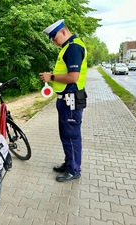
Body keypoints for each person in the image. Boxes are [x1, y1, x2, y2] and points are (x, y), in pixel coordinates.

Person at [39, 19, 88, 182]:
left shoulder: (74, 47)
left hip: (71, 100)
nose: (54, 43)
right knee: (65, 134)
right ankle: (69, 163)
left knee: (72, 135)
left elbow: (73, 77)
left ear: (63, 32)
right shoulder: (67, 46)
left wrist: (51, 77)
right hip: (65, 100)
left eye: (54, 38)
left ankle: (74, 169)